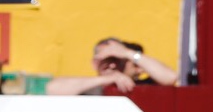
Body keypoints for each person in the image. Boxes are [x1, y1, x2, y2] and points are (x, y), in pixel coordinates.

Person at [45, 37, 178, 95]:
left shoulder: (141, 87)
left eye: (116, 59)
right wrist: (106, 80)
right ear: (94, 63)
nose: (112, 65)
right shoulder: (89, 89)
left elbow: (170, 77)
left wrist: (128, 53)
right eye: (106, 60)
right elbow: (51, 89)